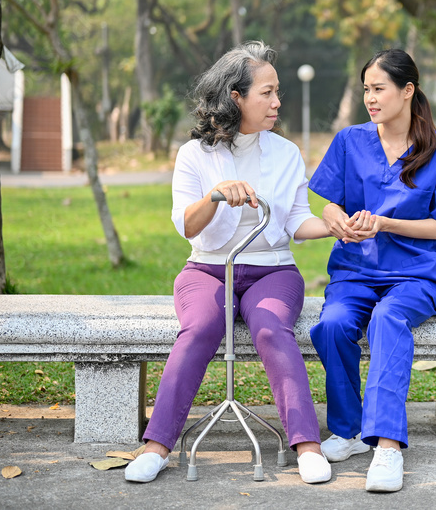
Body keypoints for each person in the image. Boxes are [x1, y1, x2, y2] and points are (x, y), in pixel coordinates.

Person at [124, 41, 332, 485]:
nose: (277, 102)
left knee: (270, 327)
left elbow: (297, 220)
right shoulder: (195, 154)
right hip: (207, 269)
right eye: (267, 93)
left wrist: (335, 227)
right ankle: (157, 446)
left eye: (278, 92)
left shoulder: (286, 153)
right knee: (199, 327)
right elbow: (186, 225)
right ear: (235, 97)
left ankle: (307, 445)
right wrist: (215, 195)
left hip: (273, 270)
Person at [308, 48, 436, 492]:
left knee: (388, 319)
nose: (370, 98)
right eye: (366, 89)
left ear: (407, 90)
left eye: (378, 88)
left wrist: (383, 222)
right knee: (332, 325)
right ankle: (348, 432)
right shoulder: (350, 141)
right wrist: (333, 218)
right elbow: (329, 201)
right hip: (356, 271)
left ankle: (386, 445)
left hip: (418, 274)